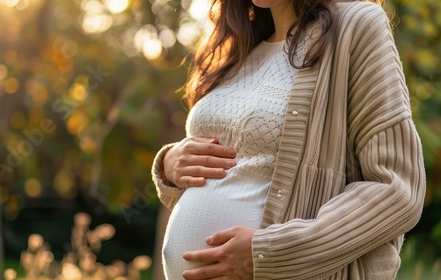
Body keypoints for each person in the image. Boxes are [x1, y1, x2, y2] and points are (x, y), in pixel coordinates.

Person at [151, 0, 426, 278]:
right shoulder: (239, 46)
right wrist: (169, 167)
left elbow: (397, 189)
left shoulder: (356, 25)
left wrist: (270, 252)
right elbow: (239, 172)